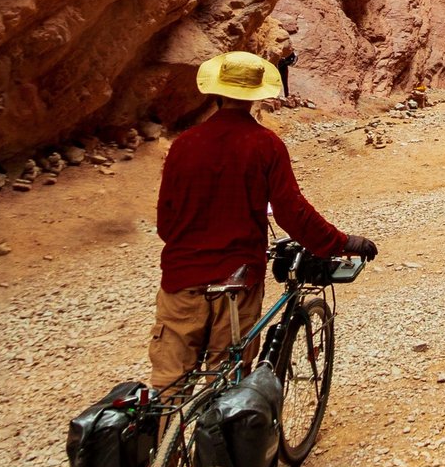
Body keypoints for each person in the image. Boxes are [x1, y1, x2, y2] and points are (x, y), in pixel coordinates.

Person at [151, 51, 376, 389]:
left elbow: (166, 225)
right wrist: (340, 242)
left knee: (168, 389)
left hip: (180, 281)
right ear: (256, 97)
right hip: (236, 281)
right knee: (225, 384)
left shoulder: (183, 146)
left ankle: (165, 440)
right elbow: (291, 212)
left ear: (214, 93)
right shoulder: (265, 145)